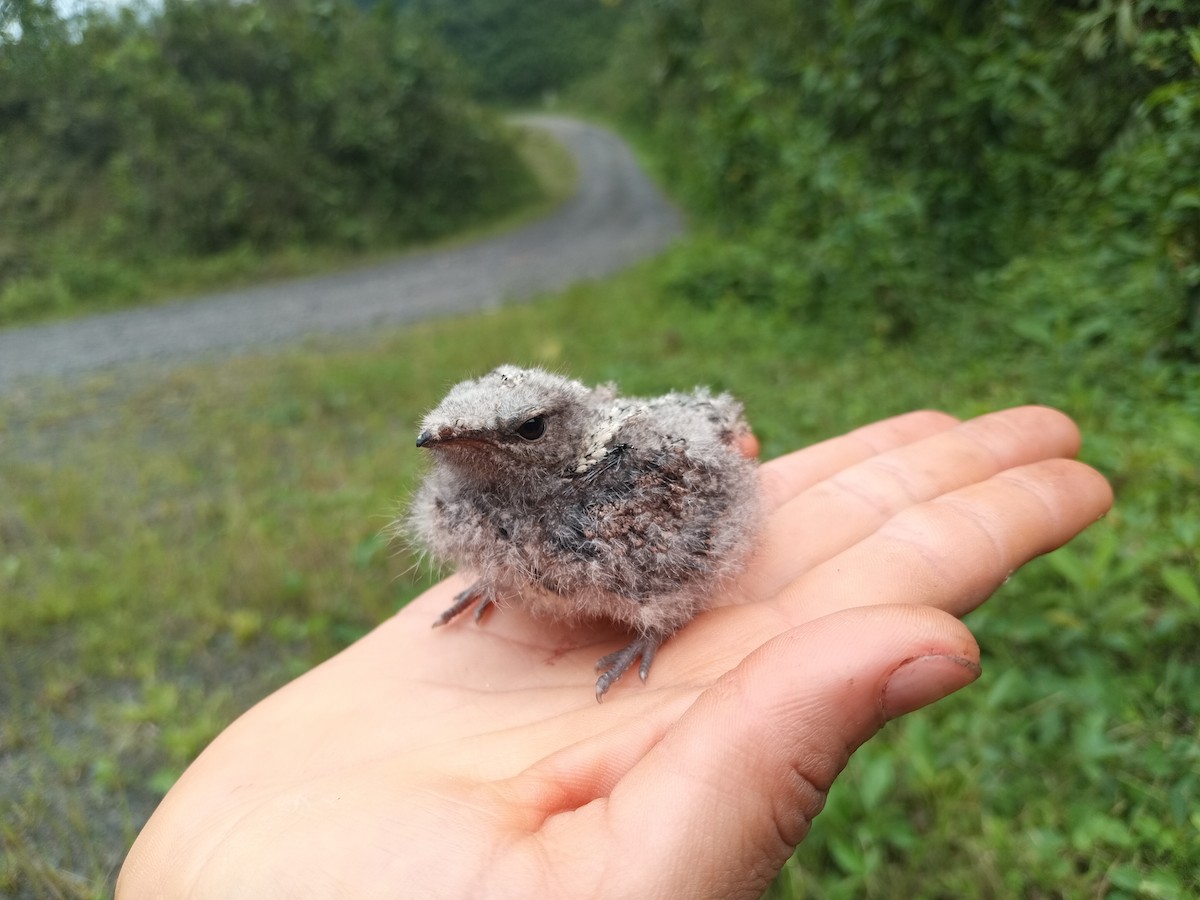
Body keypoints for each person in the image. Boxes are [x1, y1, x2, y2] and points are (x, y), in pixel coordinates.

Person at [116, 405, 1111, 899]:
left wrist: (659, 622)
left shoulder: (634, 484)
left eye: (514, 433)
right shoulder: (467, 499)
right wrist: (494, 575)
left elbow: (703, 521)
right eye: (450, 439)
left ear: (556, 434)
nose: (462, 451)